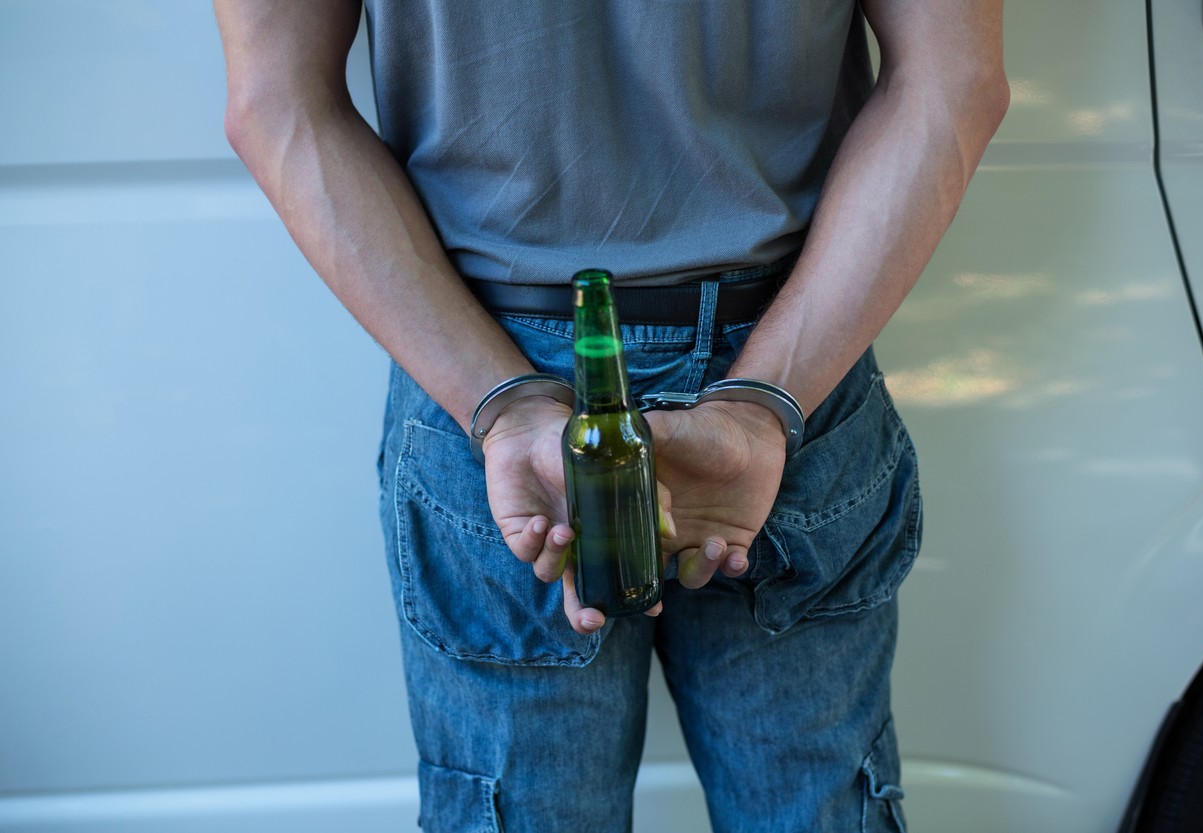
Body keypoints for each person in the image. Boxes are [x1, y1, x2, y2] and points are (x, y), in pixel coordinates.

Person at [213, 1, 1007, 830]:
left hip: (489, 371)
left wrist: (502, 402)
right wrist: (768, 398)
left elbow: (275, 103)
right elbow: (954, 78)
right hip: (792, 352)